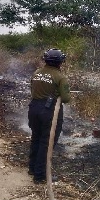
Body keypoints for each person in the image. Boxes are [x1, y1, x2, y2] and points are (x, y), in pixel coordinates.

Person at [27, 48, 73, 184]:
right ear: (60, 62)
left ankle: (32, 168)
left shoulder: (36, 73)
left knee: (36, 137)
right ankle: (40, 176)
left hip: (34, 108)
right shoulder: (60, 77)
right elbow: (65, 98)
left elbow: (32, 89)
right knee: (46, 142)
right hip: (49, 111)